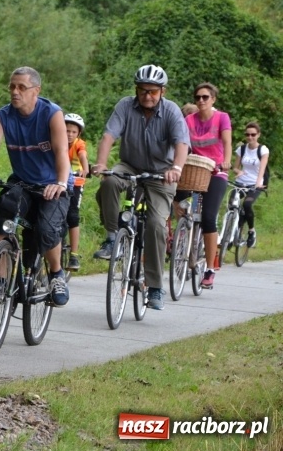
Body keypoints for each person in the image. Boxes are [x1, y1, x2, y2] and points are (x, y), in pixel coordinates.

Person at [91, 64, 189, 311]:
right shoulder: (125, 105)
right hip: (130, 165)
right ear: (136, 90)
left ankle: (155, 287)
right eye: (143, 91)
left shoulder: (172, 111)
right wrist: (102, 163)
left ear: (162, 92)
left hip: (162, 174)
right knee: (110, 181)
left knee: (156, 225)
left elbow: (181, 144)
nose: (147, 96)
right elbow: (108, 136)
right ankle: (112, 237)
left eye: (153, 92)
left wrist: (176, 168)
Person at [0, 66, 72, 307]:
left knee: (47, 229)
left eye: (21, 87)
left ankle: (56, 275)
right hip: (22, 181)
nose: (15, 92)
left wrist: (59, 182)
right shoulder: (4, 116)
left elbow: (61, 151)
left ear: (36, 91)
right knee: (1, 219)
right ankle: (1, 280)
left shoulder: (51, 113)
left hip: (52, 184)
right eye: (12, 87)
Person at [177, 83, 231, 289]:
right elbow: (180, 141)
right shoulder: (188, 119)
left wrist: (225, 160)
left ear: (213, 99)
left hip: (216, 171)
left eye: (205, 97)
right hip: (193, 170)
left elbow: (226, 143)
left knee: (208, 218)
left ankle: (209, 268)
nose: (201, 101)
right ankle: (180, 236)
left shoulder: (221, 118)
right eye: (198, 97)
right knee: (175, 197)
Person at [233, 121, 269, 249]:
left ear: (258, 135)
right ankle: (232, 232)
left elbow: (263, 169)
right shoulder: (241, 149)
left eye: (253, 135)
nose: (250, 137)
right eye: (247, 134)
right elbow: (235, 168)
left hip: (255, 184)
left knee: (247, 204)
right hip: (241, 182)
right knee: (232, 204)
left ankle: (251, 231)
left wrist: (259, 182)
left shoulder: (263, 150)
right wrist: (239, 171)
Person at [64, 113, 89, 272]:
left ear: (78, 133)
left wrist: (85, 169)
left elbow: (82, 155)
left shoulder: (79, 144)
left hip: (75, 182)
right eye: (67, 131)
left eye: (73, 132)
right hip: (57, 180)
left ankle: (73, 254)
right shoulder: (56, 140)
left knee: (72, 216)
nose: (70, 134)